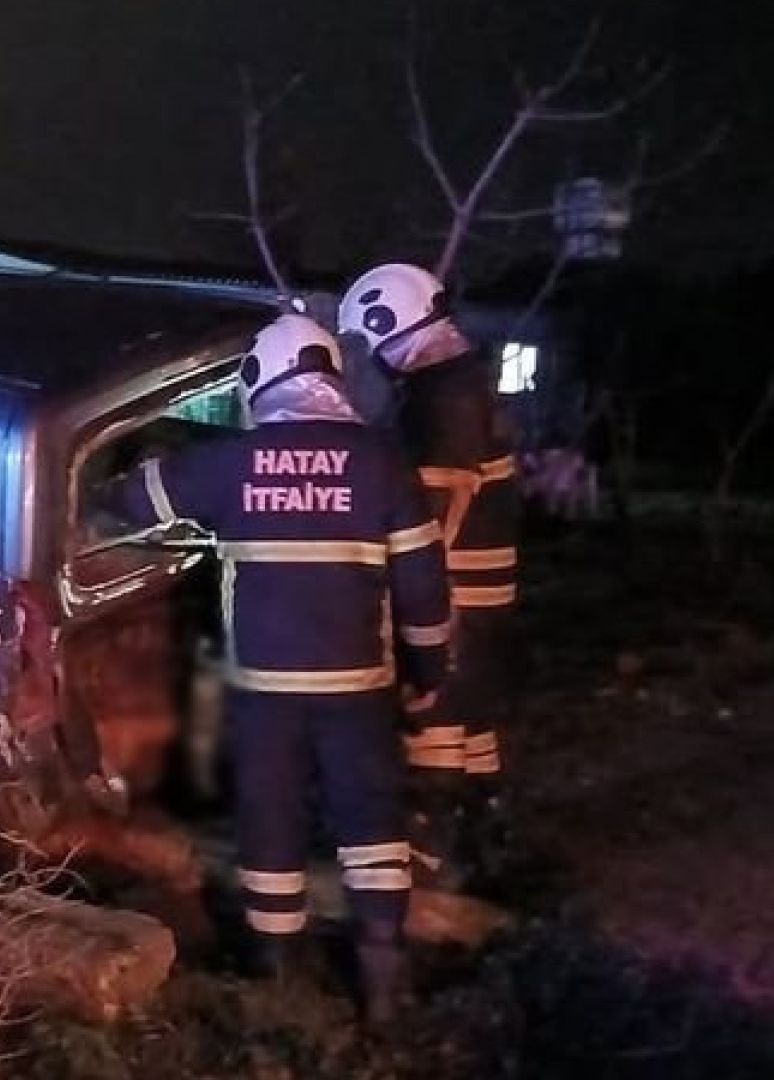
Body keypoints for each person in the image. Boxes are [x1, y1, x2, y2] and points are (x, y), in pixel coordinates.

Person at [92, 313, 452, 1028]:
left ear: (261, 379)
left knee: (270, 820)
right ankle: (382, 977)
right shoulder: (381, 463)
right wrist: (429, 667)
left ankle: (275, 972)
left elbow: (127, 502)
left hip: (266, 691)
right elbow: (422, 586)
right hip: (359, 688)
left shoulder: (228, 462)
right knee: (372, 820)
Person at [335, 263, 523, 918]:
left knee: (432, 723)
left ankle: (425, 873)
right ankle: (489, 851)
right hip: (484, 591)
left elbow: (435, 509)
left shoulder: (442, 394)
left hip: (457, 593)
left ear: (386, 321)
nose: (372, 361)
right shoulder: (461, 382)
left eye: (367, 341)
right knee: (472, 732)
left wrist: (396, 590)